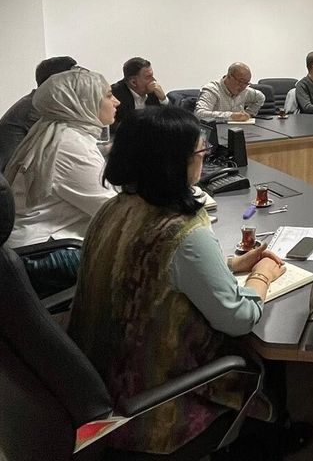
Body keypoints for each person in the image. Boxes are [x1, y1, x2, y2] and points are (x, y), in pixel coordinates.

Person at [68, 106, 288, 456]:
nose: (204, 159)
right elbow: (238, 318)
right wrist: (262, 274)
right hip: (150, 410)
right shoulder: (182, 231)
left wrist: (230, 264)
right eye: (202, 153)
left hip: (93, 384)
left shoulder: (114, 208)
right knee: (263, 359)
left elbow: (150, 265)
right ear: (174, 163)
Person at [3, 67, 118, 297]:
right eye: (108, 95)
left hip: (26, 250)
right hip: (47, 256)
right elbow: (111, 211)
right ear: (84, 101)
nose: (116, 101)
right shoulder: (69, 144)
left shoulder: (56, 131)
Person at [0, 56, 77, 171]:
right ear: (57, 81)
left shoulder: (35, 102)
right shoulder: (37, 108)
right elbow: (67, 146)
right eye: (74, 78)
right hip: (13, 179)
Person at [110, 57, 169, 131]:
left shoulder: (153, 91)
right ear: (133, 82)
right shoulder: (115, 94)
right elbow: (114, 126)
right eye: (148, 77)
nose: (154, 80)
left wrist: (163, 99)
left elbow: (170, 121)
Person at [194, 62, 265, 121]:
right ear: (229, 76)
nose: (243, 87)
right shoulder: (212, 90)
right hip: (216, 130)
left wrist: (249, 114)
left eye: (246, 83)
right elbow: (199, 114)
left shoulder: (245, 90)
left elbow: (260, 97)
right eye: (240, 81)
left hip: (239, 129)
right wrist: (230, 116)